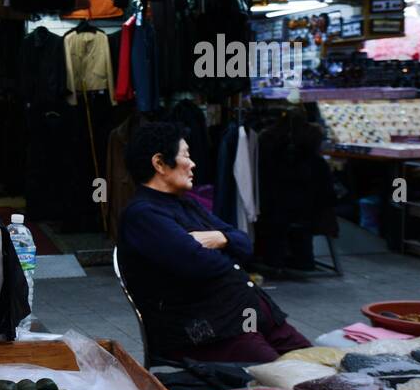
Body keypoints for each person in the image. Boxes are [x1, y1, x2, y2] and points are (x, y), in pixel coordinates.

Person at [116, 122, 310, 364]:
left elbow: (246, 244)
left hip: (254, 318)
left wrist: (220, 238)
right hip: (209, 333)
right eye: (186, 155)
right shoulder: (143, 215)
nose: (193, 163)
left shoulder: (186, 203)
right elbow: (200, 264)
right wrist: (226, 248)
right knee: (288, 381)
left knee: (322, 366)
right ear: (159, 163)